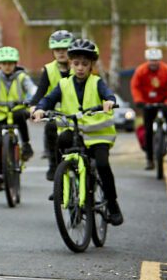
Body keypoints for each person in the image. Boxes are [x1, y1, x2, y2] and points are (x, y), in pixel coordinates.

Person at [31, 38, 123, 225]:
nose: (80, 67)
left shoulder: (97, 82)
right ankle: (63, 185)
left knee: (103, 165)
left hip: (97, 135)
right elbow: (48, 99)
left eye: (85, 64)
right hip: (73, 132)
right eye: (76, 63)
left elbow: (108, 94)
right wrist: (40, 108)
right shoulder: (64, 84)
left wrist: (109, 101)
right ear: (71, 64)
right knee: (59, 143)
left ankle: (112, 204)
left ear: (91, 66)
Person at [0, 46, 36, 192]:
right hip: (0, 113)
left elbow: (32, 89)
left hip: (17, 110)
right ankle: (0, 175)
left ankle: (26, 144)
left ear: (15, 64)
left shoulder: (22, 76)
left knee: (20, 117)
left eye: (10, 63)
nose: (7, 66)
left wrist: (34, 100)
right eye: (4, 63)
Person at [27, 30, 76, 179]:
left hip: (78, 113)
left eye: (65, 49)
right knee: (50, 128)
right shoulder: (49, 69)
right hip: (57, 114)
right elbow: (41, 91)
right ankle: (54, 167)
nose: (61, 53)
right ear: (53, 51)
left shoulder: (80, 66)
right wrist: (34, 106)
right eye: (57, 50)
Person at [130, 48, 167, 170]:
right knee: (148, 131)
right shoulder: (141, 71)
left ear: (159, 61)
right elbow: (135, 86)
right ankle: (149, 159)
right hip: (147, 103)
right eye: (151, 61)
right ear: (147, 60)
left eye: (156, 61)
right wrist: (138, 100)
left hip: (163, 100)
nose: (153, 63)